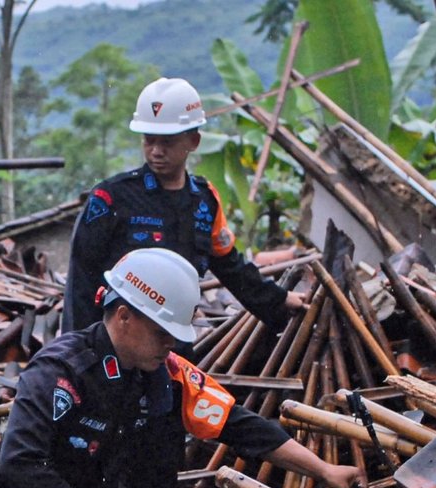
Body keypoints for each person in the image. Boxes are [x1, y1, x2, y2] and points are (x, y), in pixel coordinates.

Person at [0, 248, 362, 488]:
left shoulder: (165, 375)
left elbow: (237, 425)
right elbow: (21, 462)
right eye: (162, 333)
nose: (170, 344)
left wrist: (325, 470)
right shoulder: (60, 371)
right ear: (124, 316)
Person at [61, 77, 307, 337]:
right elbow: (81, 282)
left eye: (167, 142)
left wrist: (280, 300)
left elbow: (231, 267)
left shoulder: (204, 202)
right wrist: (78, 351)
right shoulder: (110, 198)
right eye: (149, 140)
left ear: (193, 141)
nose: (156, 151)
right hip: (119, 344)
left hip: (174, 345)